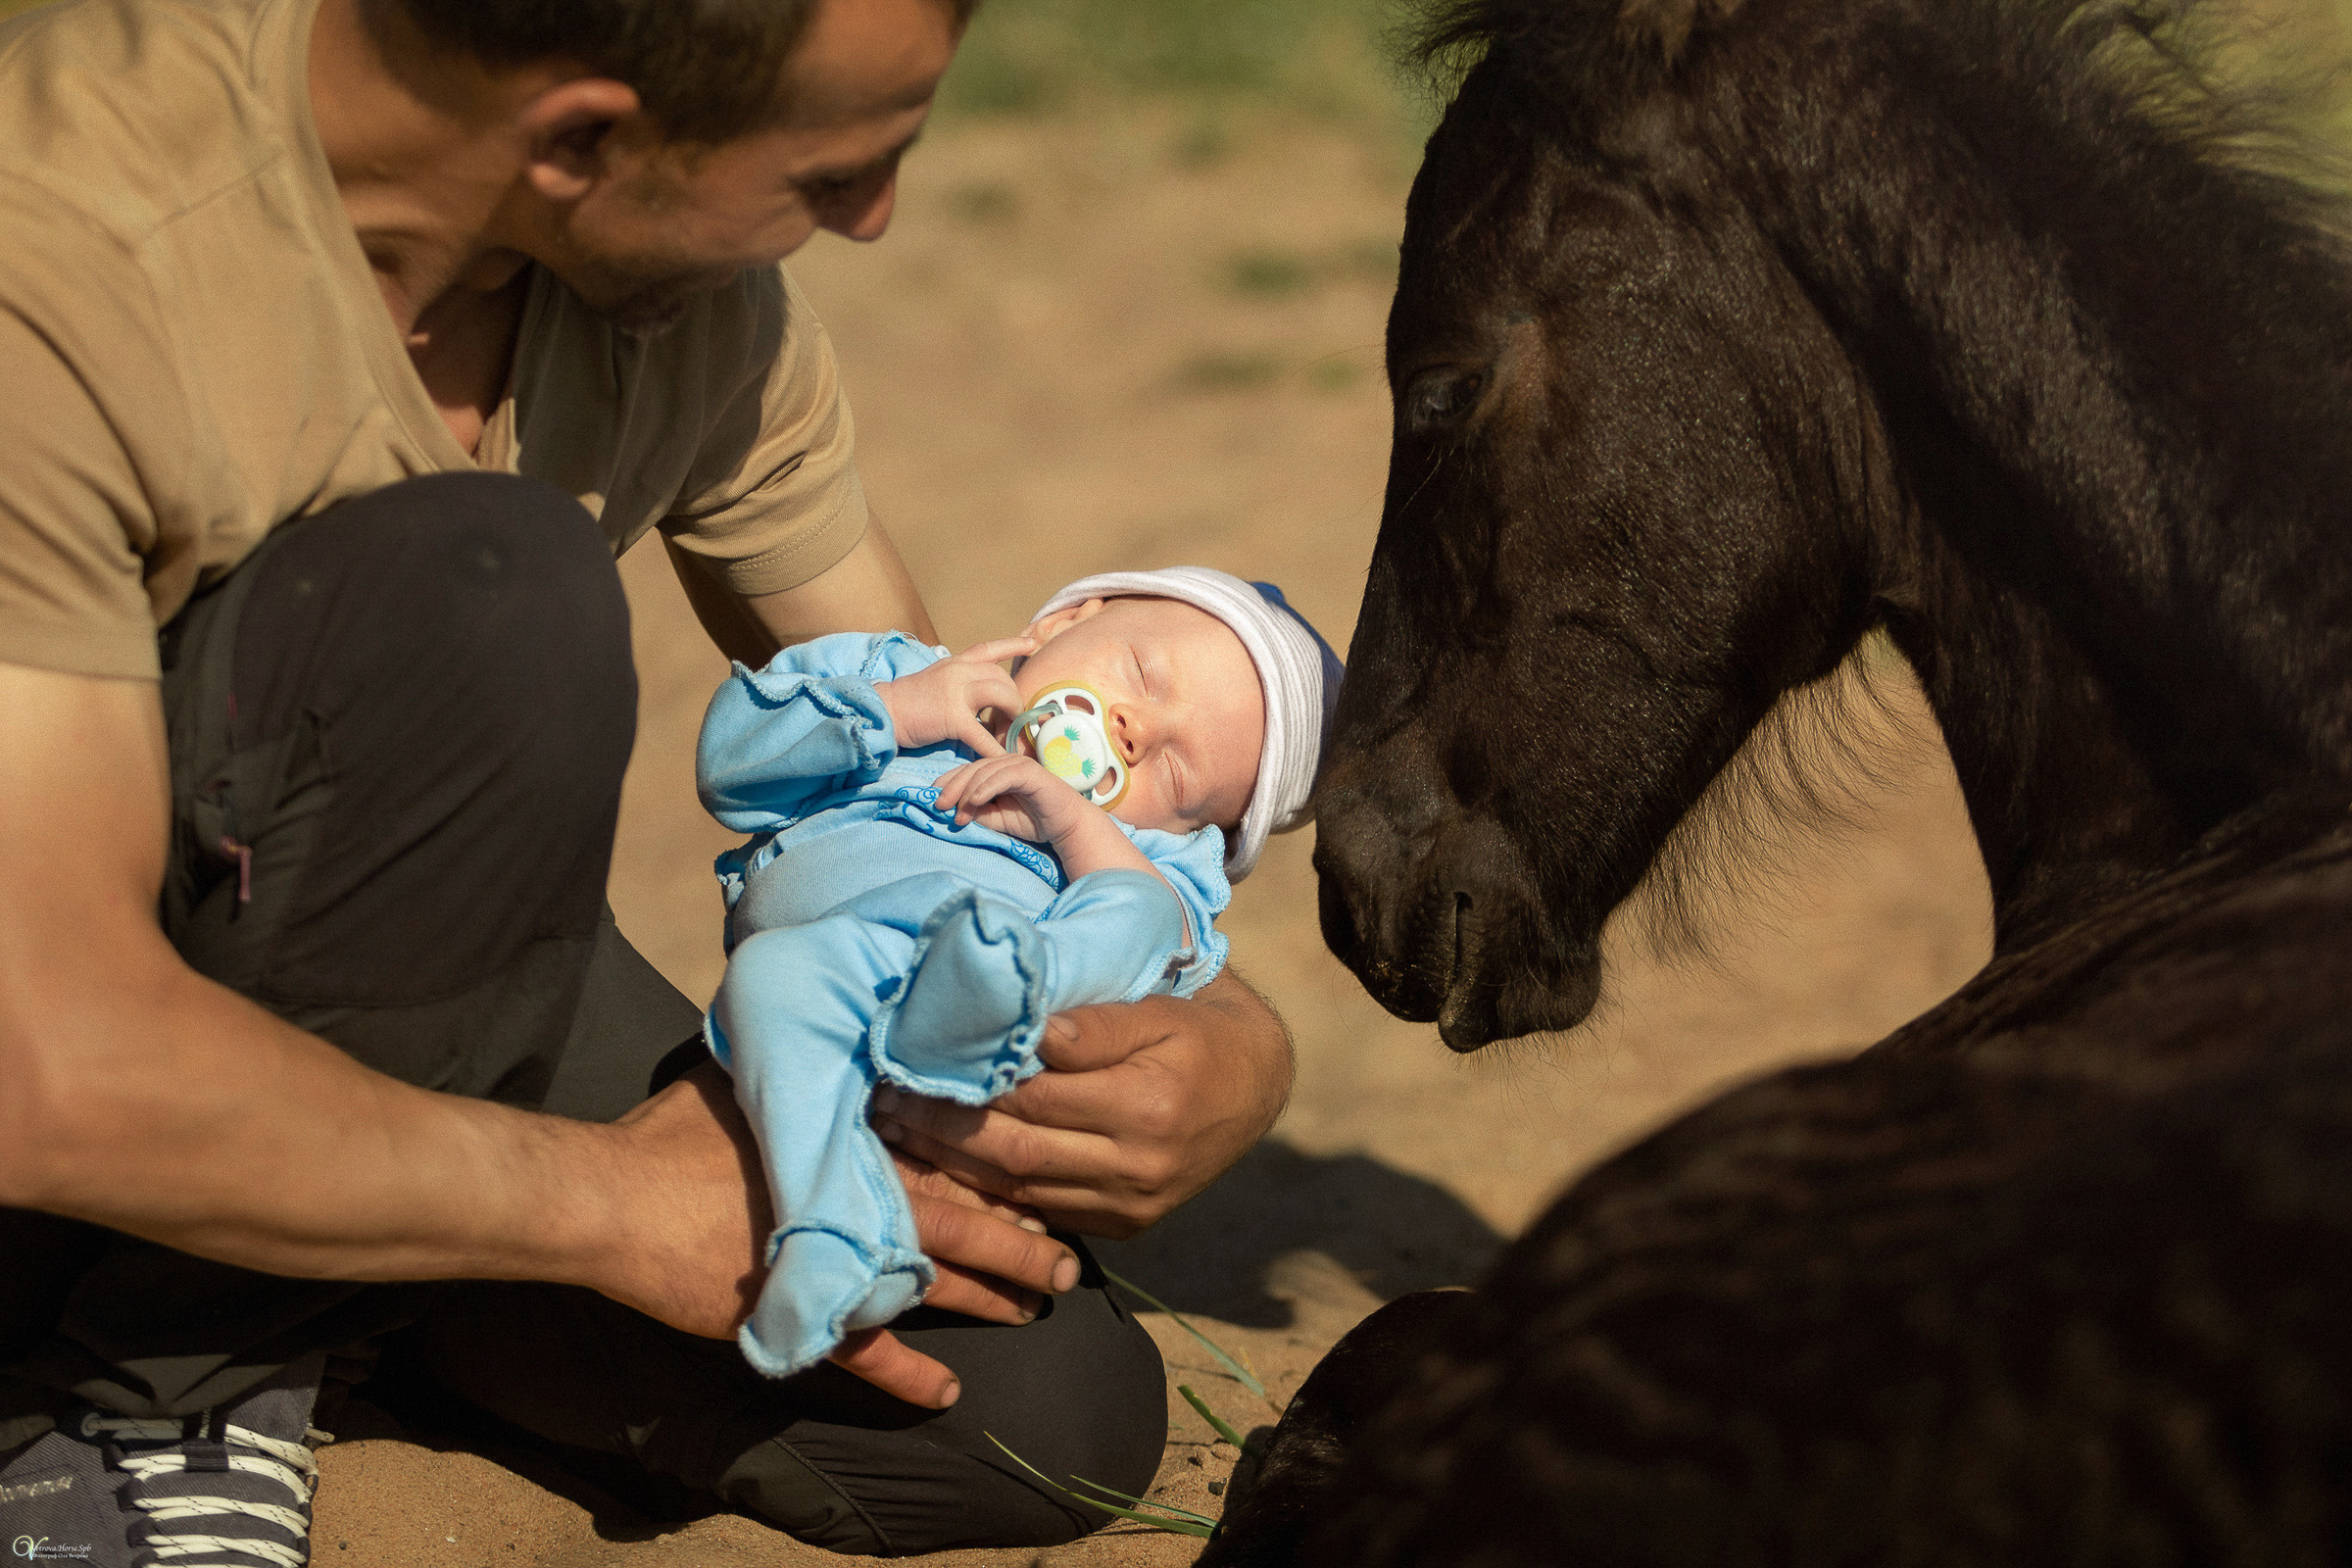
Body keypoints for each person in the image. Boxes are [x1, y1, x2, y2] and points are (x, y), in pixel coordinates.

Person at [0, 0, 1294, 1558]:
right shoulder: (66, 260)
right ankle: (150, 1389)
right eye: (834, 172)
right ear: (582, 139)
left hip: (353, 974)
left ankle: (326, 1265)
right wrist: (605, 1206)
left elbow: (957, 769)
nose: (872, 221)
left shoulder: (678, 294)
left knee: (1031, 1421)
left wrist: (1224, 1031)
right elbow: (43, 1058)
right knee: (497, 597)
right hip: (66, 1030)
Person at [699, 569, 1343, 1377]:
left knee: (1140, 917)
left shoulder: (1147, 851)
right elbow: (729, 763)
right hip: (836, 964)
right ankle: (837, 1238)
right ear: (1065, 622)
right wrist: (903, 710)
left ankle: (1001, 986)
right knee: (766, 979)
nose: (1139, 731)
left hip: (1004, 970)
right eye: (1142, 673)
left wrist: (1072, 821)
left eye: (1177, 780)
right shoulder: (892, 672)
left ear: (1198, 831)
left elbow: (1170, 946)